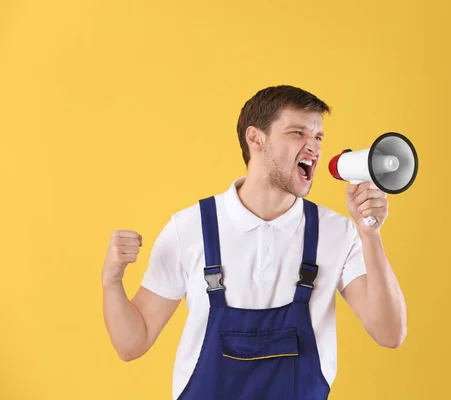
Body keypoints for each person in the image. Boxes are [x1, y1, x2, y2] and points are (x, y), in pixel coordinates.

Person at [101, 85, 407, 399]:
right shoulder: (190, 228)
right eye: (297, 133)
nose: (313, 148)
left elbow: (390, 333)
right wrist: (112, 280)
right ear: (255, 138)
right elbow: (131, 344)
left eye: (318, 137)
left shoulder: (338, 233)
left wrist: (370, 232)